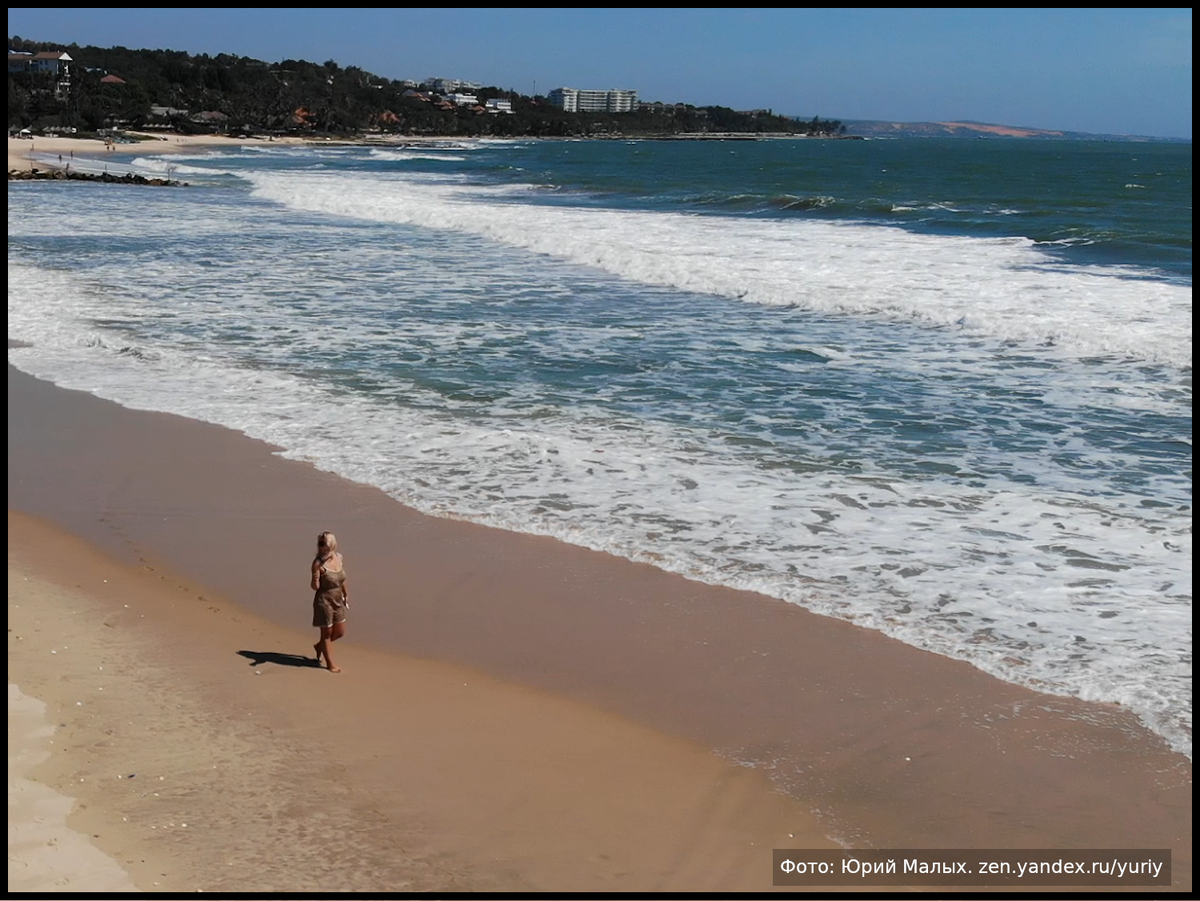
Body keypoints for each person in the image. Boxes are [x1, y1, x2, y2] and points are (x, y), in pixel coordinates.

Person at [311, 531, 349, 672]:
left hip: (338, 599)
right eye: (319, 543)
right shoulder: (318, 563)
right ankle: (330, 664)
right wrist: (315, 576)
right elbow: (315, 587)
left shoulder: (339, 558)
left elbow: (342, 579)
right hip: (324, 601)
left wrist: (345, 594)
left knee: (339, 632)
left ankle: (320, 646)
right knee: (326, 634)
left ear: (332, 544)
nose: (320, 547)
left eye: (323, 543)